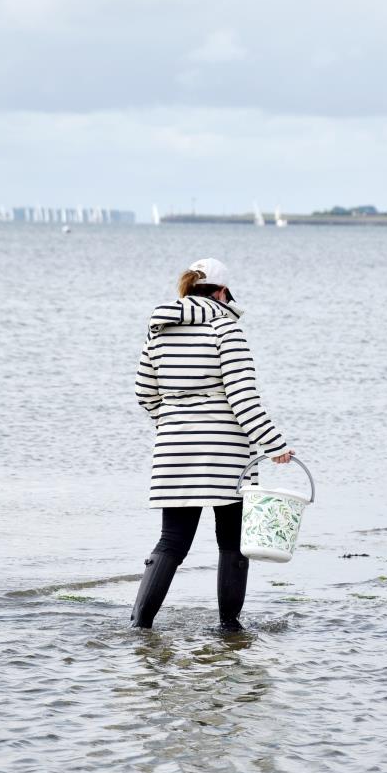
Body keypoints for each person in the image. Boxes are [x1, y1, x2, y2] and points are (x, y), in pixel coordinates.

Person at [132, 257, 294, 630]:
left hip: (173, 449)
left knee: (171, 542)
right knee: (233, 544)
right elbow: (243, 398)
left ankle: (139, 626)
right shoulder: (226, 329)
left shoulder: (158, 331)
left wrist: (175, 423)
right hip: (226, 453)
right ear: (222, 292)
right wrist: (275, 445)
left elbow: (144, 393)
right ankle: (229, 628)